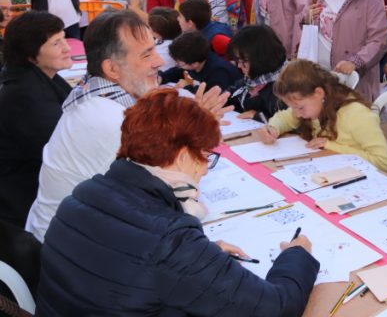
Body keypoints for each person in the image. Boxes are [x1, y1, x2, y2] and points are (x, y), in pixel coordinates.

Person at [36, 88, 318, 315]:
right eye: (206, 155)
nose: (206, 168)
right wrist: (297, 256)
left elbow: (123, 265)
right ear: (183, 157)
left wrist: (203, 261)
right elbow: (277, 306)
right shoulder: (170, 242)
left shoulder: (81, 196)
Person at [25, 10, 231, 242]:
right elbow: (183, 204)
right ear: (112, 70)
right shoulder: (110, 120)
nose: (160, 61)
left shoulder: (95, 94)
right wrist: (197, 132)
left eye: (155, 48)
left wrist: (194, 124)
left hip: (70, 240)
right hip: (69, 256)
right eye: (146, 55)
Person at [0, 11, 73, 227]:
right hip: (21, 205)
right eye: (56, 43)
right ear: (31, 55)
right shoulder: (25, 95)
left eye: (64, 38)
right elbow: (62, 148)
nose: (67, 48)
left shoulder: (39, 77)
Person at [256, 59, 387, 172]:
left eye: (300, 107)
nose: (297, 114)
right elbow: (286, 118)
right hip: (329, 172)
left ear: (319, 93)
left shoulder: (356, 114)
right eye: (293, 108)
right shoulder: (313, 106)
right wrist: (273, 128)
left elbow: (383, 162)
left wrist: (330, 145)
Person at [227, 24, 287, 119]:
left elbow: (290, 123)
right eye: (237, 60)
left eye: (243, 61)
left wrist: (257, 116)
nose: (239, 65)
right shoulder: (253, 80)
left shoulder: (284, 88)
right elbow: (232, 94)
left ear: (260, 58)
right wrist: (217, 99)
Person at [163, 32, 241, 91]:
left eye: (180, 64)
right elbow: (177, 71)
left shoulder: (218, 73)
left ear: (194, 64)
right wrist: (161, 77)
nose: (178, 65)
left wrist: (187, 87)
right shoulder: (195, 58)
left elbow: (213, 97)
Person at [148, 6, 182, 71]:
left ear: (158, 32)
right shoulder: (162, 39)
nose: (149, 29)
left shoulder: (164, 53)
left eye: (150, 27)